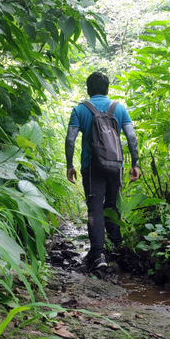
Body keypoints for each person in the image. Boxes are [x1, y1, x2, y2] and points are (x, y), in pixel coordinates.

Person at [65, 71, 141, 272]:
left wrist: (69, 165)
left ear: (88, 90)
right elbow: (131, 137)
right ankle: (117, 247)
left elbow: (70, 139)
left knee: (95, 209)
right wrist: (135, 163)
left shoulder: (80, 110)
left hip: (92, 166)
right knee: (112, 205)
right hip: (116, 166)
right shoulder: (119, 108)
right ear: (107, 89)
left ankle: (98, 255)